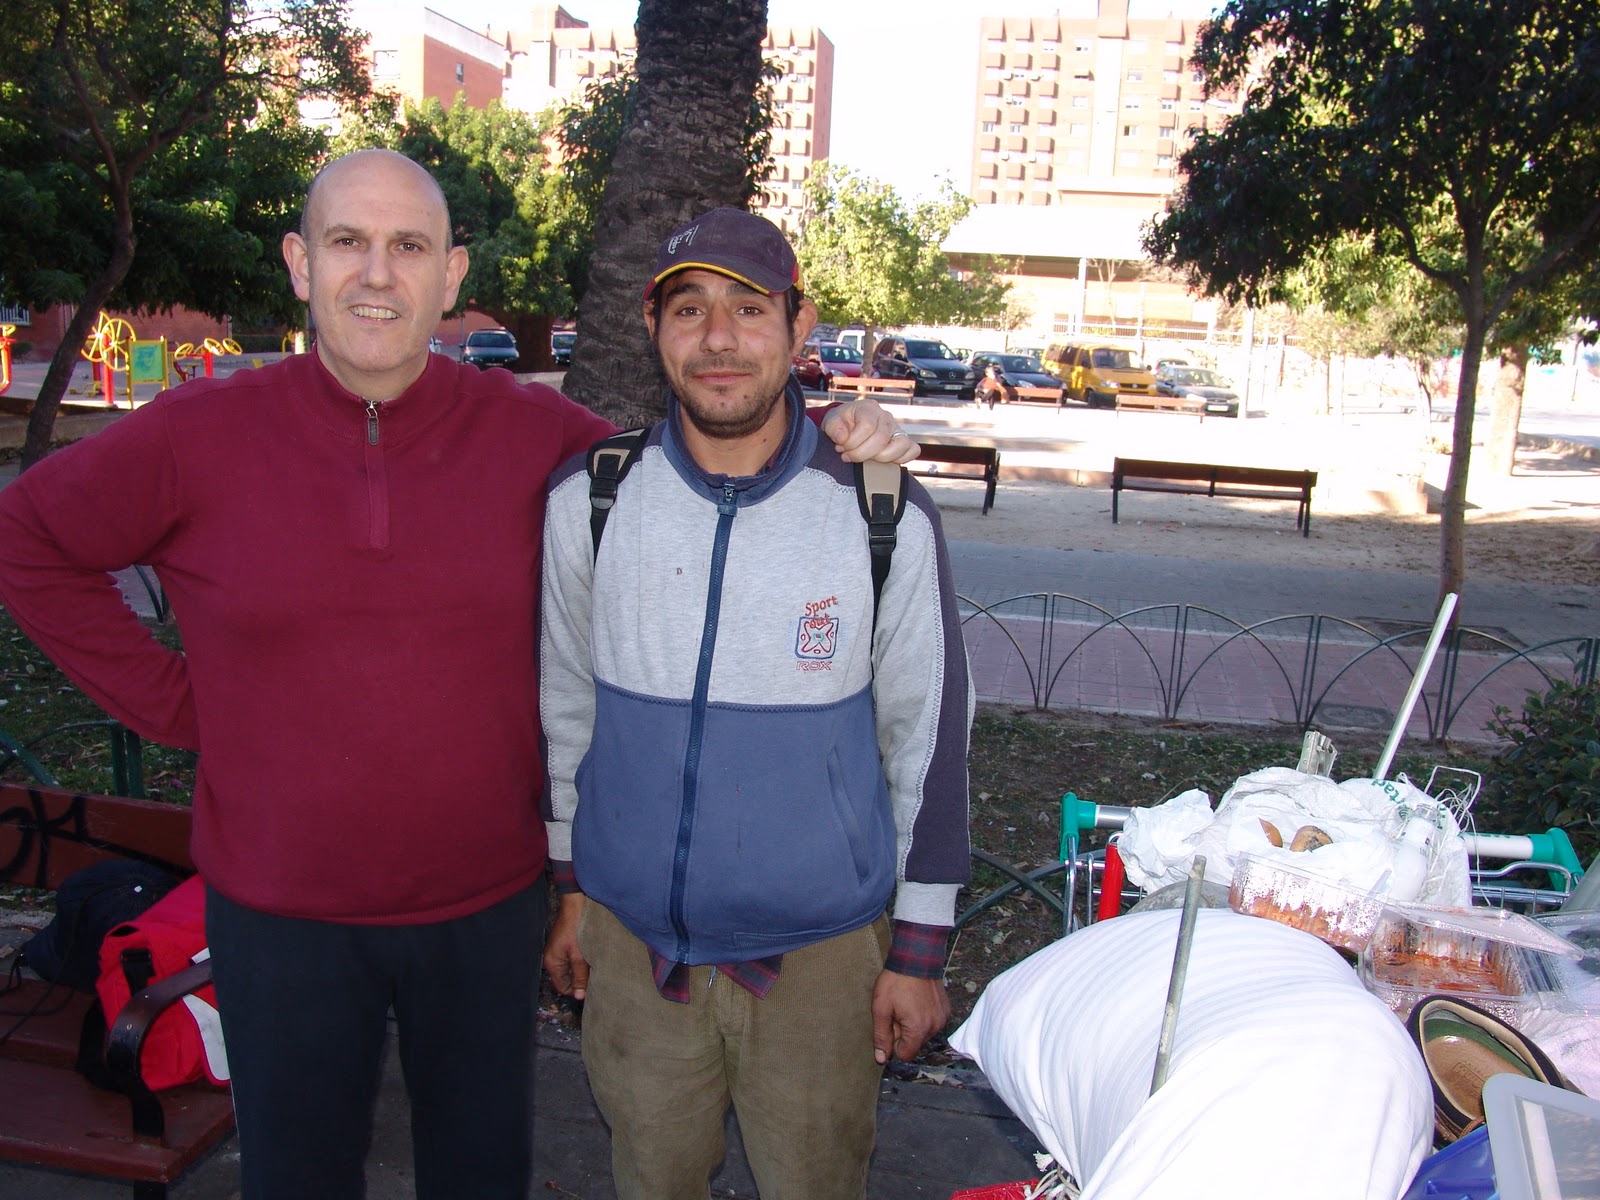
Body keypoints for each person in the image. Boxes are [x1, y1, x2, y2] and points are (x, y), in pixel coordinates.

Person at [0, 149, 913, 1199]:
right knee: (297, 1180)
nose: (376, 274)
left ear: (450, 273)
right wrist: (175, 705)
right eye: (347, 242)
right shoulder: (197, 434)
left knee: (480, 1176)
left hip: (484, 906)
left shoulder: (544, 442)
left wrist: (845, 440)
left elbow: (708, 482)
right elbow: (27, 538)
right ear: (301, 263)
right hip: (279, 907)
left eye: (409, 247)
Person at [540, 207, 972, 1200]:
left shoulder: (881, 511)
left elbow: (928, 741)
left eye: (748, 307)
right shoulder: (592, 501)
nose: (720, 339)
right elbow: (563, 708)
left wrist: (916, 952)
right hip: (634, 947)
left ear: (798, 324)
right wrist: (571, 889)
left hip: (823, 962)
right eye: (688, 309)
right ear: (653, 329)